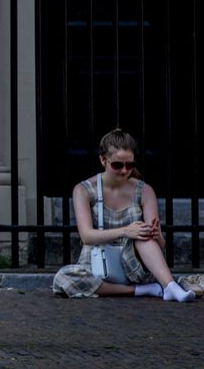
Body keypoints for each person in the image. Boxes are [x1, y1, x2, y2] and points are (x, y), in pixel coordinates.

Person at [53, 128, 195, 302]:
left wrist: (157, 235)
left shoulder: (144, 190)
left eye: (130, 165)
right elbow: (87, 236)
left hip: (134, 265)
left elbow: (159, 244)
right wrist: (125, 231)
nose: (124, 171)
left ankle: (170, 286)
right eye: (117, 165)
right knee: (64, 278)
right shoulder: (84, 189)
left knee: (143, 234)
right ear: (103, 160)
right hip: (98, 264)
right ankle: (138, 290)